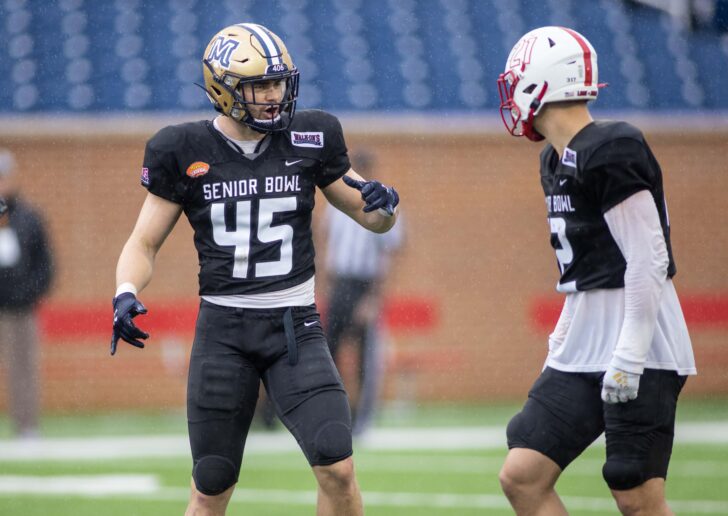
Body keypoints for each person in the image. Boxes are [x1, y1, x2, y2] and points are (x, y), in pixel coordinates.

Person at [110, 23, 399, 516]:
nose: (273, 95)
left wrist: (384, 204)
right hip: (223, 331)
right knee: (211, 486)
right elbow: (144, 240)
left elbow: (370, 216)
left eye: (278, 82)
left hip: (295, 326)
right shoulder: (181, 149)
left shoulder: (312, 135)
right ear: (222, 90)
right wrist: (125, 288)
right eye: (259, 85)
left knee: (338, 465)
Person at [495, 27, 696, 515]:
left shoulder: (611, 147)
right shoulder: (555, 159)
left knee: (634, 493)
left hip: (642, 336)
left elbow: (648, 259)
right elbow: (580, 272)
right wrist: (561, 344)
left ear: (538, 84)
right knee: (523, 474)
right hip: (585, 338)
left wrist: (629, 354)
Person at [324, 150, 404, 437]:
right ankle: (334, 412)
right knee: (328, 351)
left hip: (364, 285)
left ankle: (362, 419)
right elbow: (329, 251)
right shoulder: (335, 205)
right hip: (341, 284)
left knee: (363, 357)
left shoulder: (380, 204)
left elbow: (389, 257)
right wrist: (328, 289)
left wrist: (373, 299)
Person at [0, 149, 54, 438]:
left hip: (21, 309)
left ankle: (26, 426)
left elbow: (45, 264)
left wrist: (29, 293)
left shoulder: (28, 218)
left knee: (23, 368)